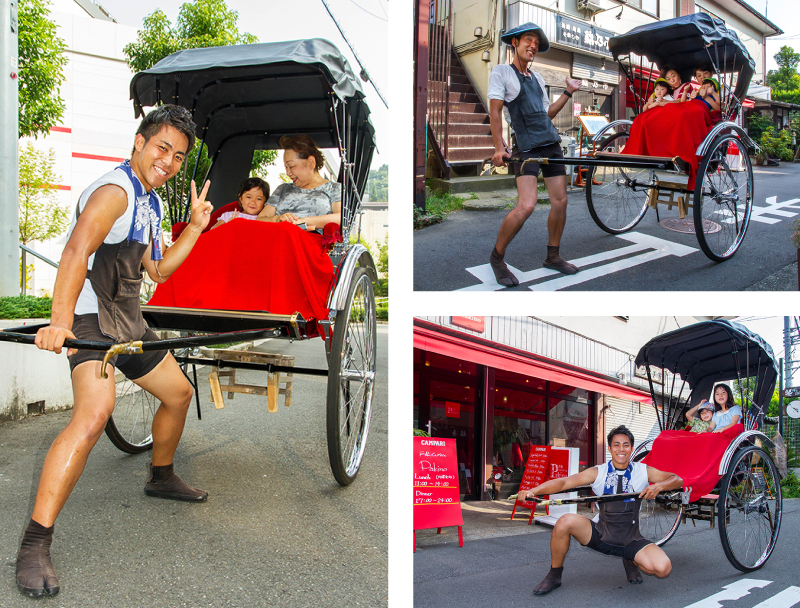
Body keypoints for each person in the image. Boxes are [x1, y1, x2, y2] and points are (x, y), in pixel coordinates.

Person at [17, 105, 213, 599]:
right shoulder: (116, 190)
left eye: (178, 156)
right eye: (161, 148)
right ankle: (35, 542)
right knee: (92, 414)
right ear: (139, 144)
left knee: (178, 393)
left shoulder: (151, 203)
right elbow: (76, 251)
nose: (168, 161)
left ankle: (161, 476)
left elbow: (157, 272)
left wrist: (194, 226)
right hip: (89, 322)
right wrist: (59, 322)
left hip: (128, 321)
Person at [517, 425, 682, 595]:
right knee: (565, 521)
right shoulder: (599, 472)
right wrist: (533, 491)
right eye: (616, 444)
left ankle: (630, 558)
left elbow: (677, 479)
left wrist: (659, 486)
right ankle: (554, 575)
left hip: (631, 539)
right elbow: (564, 482)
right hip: (600, 534)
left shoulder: (642, 471)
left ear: (632, 448)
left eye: (626, 445)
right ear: (609, 448)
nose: (621, 449)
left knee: (663, 568)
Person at [486, 22, 583, 286]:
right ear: (515, 42)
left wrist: (568, 92)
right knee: (526, 205)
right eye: (529, 40)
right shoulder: (502, 72)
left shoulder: (538, 78)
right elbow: (495, 111)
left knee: (560, 201)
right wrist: (498, 146)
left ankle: (553, 256)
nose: (533, 46)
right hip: (526, 145)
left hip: (550, 142)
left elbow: (547, 114)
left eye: (537, 44)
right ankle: (497, 257)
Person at [257, 135, 341, 230]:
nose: (288, 173)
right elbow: (259, 219)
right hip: (279, 236)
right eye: (286, 167)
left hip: (311, 239)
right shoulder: (283, 189)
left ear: (311, 162)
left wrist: (302, 221)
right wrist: (278, 218)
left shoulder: (334, 188)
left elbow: (340, 218)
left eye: (291, 166)